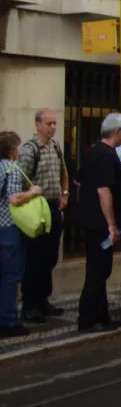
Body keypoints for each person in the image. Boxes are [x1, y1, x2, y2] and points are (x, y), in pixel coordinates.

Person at [77, 113, 121, 333]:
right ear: (116, 131)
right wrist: (111, 224)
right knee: (98, 271)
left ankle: (101, 315)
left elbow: (77, 179)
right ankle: (89, 319)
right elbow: (103, 190)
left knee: (101, 270)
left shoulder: (93, 151)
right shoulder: (106, 155)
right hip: (100, 224)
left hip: (93, 221)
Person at [17, 108, 69, 323]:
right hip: (38, 207)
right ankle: (30, 304)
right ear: (38, 125)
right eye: (49, 124)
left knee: (49, 257)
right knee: (35, 258)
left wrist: (65, 194)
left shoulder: (55, 146)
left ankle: (43, 300)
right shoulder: (30, 150)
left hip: (54, 206)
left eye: (55, 123)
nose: (53, 127)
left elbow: (64, 171)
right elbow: (21, 179)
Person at [0, 131, 45, 338]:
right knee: (10, 276)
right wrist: (33, 192)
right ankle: (8, 322)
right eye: (16, 147)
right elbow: (15, 199)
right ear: (11, 150)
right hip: (8, 228)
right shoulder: (12, 168)